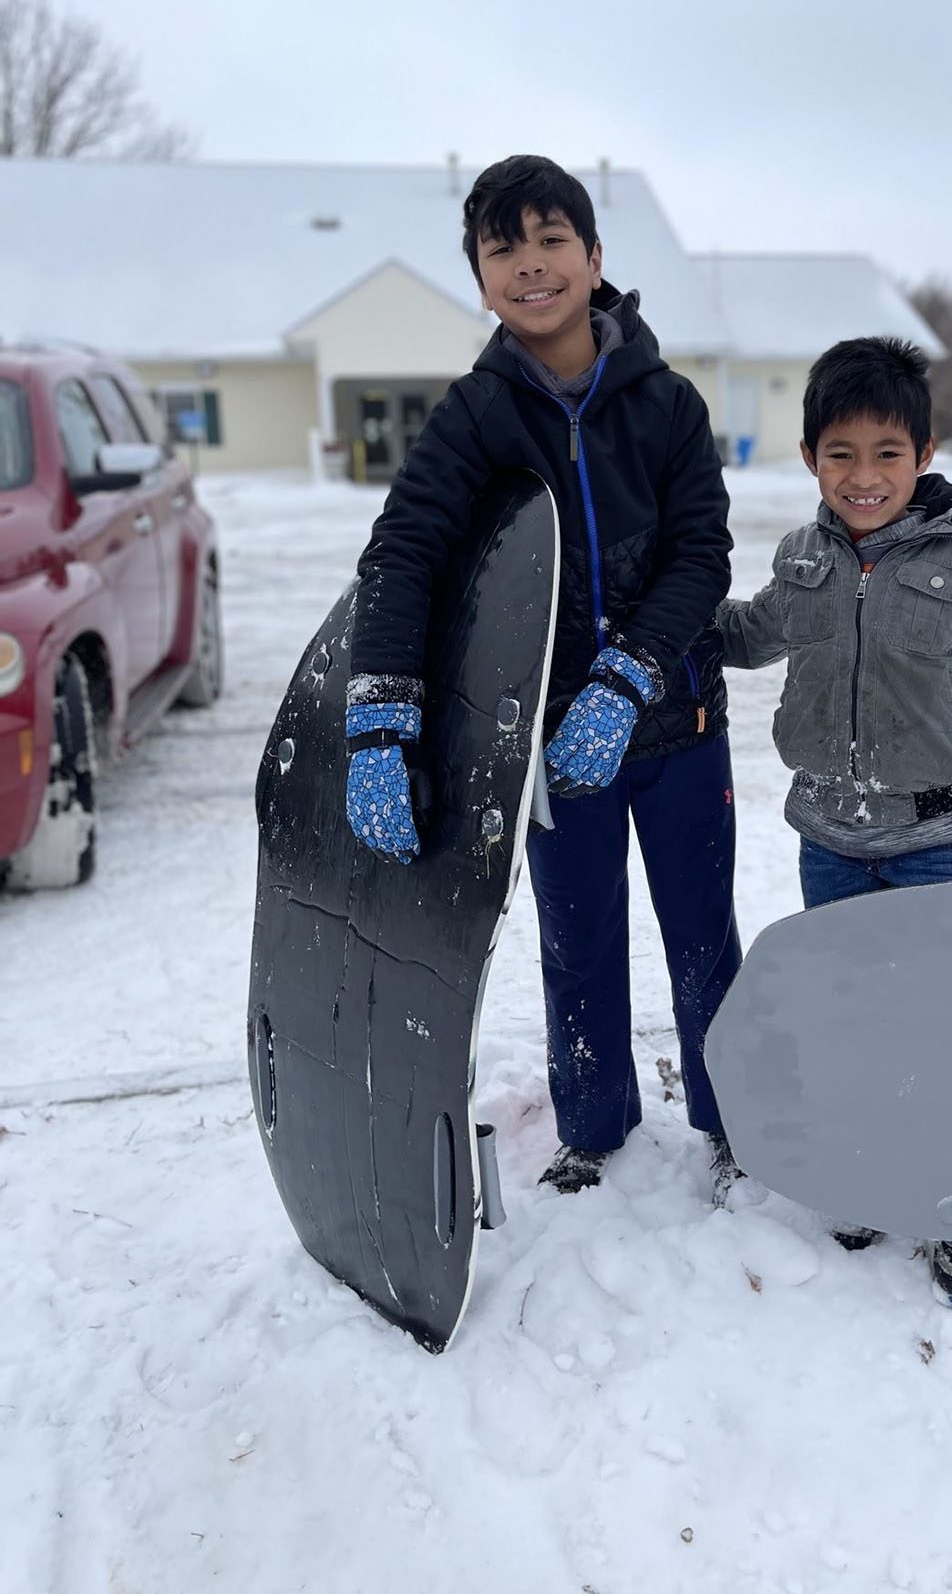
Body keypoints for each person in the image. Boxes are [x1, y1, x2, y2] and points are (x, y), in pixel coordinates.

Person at [345, 155, 743, 1204]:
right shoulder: (474, 416)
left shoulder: (666, 404)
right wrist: (379, 717)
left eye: (550, 239)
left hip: (680, 723)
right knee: (576, 939)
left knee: (702, 933)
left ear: (595, 258)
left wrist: (630, 677)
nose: (530, 266)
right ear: (477, 278)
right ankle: (594, 1121)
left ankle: (732, 1113)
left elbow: (702, 552)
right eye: (501, 248)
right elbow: (405, 553)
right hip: (548, 745)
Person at [716, 336, 952, 1307]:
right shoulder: (802, 559)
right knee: (848, 1020)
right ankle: (868, 1169)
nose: (861, 477)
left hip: (937, 845)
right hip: (827, 840)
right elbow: (747, 633)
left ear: (924, 451)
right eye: (839, 454)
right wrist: (666, 607)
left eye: (884, 454)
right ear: (807, 456)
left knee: (951, 1032)